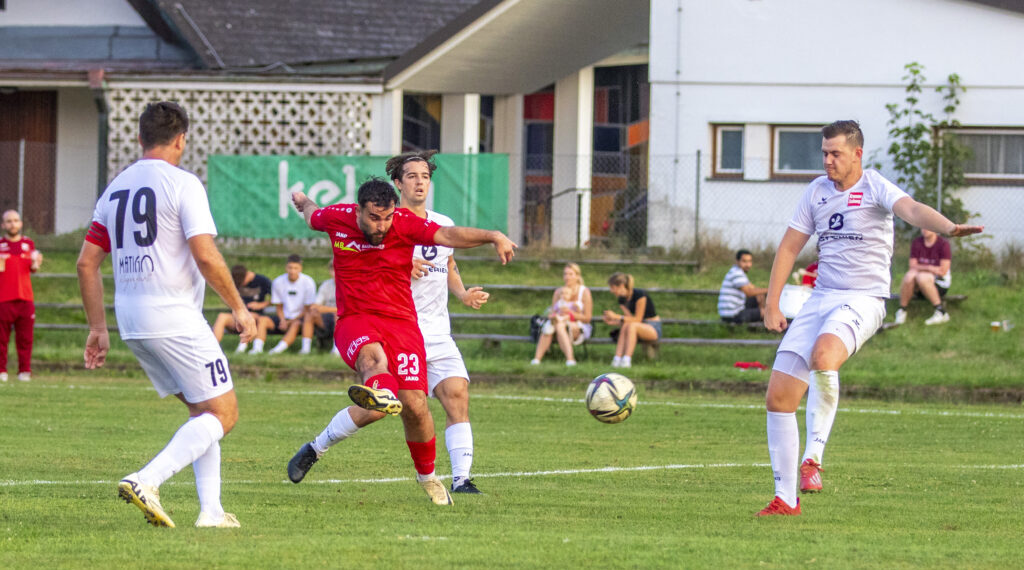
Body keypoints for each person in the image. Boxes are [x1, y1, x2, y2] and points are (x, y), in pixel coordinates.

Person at [756, 120, 982, 517]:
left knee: (825, 355)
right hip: (821, 298)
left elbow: (911, 209)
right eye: (824, 153)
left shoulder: (874, 185)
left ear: (857, 154)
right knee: (778, 397)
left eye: (836, 153)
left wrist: (948, 227)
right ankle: (786, 500)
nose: (828, 160)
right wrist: (772, 303)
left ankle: (813, 457)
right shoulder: (816, 192)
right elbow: (789, 248)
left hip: (864, 300)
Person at [77, 101, 257, 528]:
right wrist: (238, 306)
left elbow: (86, 263)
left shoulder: (114, 189)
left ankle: (211, 512)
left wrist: (98, 328)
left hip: (132, 322)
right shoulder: (183, 183)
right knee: (224, 413)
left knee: (204, 411)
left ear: (140, 139)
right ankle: (147, 479)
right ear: (181, 139)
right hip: (174, 316)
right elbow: (206, 254)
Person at [285, 175, 516, 505]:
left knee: (415, 407)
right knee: (372, 358)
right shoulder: (337, 217)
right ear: (359, 211)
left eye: (387, 217)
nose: (381, 227)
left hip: (403, 325)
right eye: (374, 218)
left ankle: (426, 476)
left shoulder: (405, 224)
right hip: (356, 318)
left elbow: (448, 235)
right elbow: (312, 214)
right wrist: (304, 201)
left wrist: (493, 235)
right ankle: (376, 393)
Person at [0, 210, 42, 382]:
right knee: (1, 339)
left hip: (25, 299)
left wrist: (36, 262)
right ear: (3, 225)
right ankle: (2, 371)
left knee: (25, 339)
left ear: (21, 223)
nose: (12, 224)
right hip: (3, 299)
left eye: (15, 220)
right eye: (9, 221)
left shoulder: (28, 245)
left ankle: (24, 371)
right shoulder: (1, 245)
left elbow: (33, 268)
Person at [248, 254, 316, 355]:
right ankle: (257, 349)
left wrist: (291, 321)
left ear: (300, 268)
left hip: (300, 318)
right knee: (262, 320)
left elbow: (307, 309)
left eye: (295, 268)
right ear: (286, 267)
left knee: (296, 324)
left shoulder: (308, 282)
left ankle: (277, 350)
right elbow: (278, 305)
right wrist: (283, 320)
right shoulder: (278, 282)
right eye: (290, 267)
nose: (292, 271)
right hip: (283, 318)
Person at [530, 263, 593, 366]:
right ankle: (537, 359)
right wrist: (553, 316)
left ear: (577, 276)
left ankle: (570, 359)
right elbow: (554, 311)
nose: (567, 277)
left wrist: (570, 314)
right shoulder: (558, 292)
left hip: (578, 326)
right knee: (551, 325)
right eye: (565, 274)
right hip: (558, 323)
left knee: (559, 325)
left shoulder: (584, 292)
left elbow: (587, 318)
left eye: (570, 274)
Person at [892, 228, 952, 326]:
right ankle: (902, 310)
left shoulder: (943, 244)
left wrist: (921, 268)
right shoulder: (917, 242)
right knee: (909, 275)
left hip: (940, 284)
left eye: (928, 227)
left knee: (922, 277)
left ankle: (941, 312)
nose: (924, 230)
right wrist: (930, 268)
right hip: (918, 285)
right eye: (922, 227)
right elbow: (912, 266)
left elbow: (942, 271)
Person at [601, 272, 661, 368]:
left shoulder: (640, 295)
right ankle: (617, 359)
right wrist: (614, 321)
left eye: (612, 288)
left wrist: (616, 316)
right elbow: (628, 320)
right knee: (627, 325)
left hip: (652, 327)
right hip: (637, 327)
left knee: (632, 325)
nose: (611, 291)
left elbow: (637, 319)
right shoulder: (622, 300)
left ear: (621, 286)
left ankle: (627, 360)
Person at [212, 264, 271, 353]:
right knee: (222, 316)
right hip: (237, 316)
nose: (241, 284)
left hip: (255, 317)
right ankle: (213, 349)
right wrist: (235, 306)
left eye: (242, 282)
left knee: (249, 316)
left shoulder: (262, 281)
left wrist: (261, 305)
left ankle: (242, 347)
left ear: (247, 274)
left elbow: (277, 299)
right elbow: (224, 297)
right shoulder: (233, 281)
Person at [718, 249, 768, 324]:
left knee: (759, 295)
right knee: (765, 312)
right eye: (744, 261)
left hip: (731, 312)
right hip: (733, 315)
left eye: (750, 261)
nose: (748, 265)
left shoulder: (737, 272)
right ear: (737, 261)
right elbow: (749, 293)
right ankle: (768, 325)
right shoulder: (737, 273)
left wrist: (760, 294)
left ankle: (762, 322)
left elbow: (753, 288)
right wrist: (770, 290)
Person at [300, 272, 339, 356]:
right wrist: (336, 309)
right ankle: (305, 350)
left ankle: (337, 349)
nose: (336, 273)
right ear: (330, 271)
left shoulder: (350, 284)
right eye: (334, 270)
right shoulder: (326, 285)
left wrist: (338, 311)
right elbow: (315, 306)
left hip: (344, 319)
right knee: (310, 314)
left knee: (338, 315)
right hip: (327, 317)